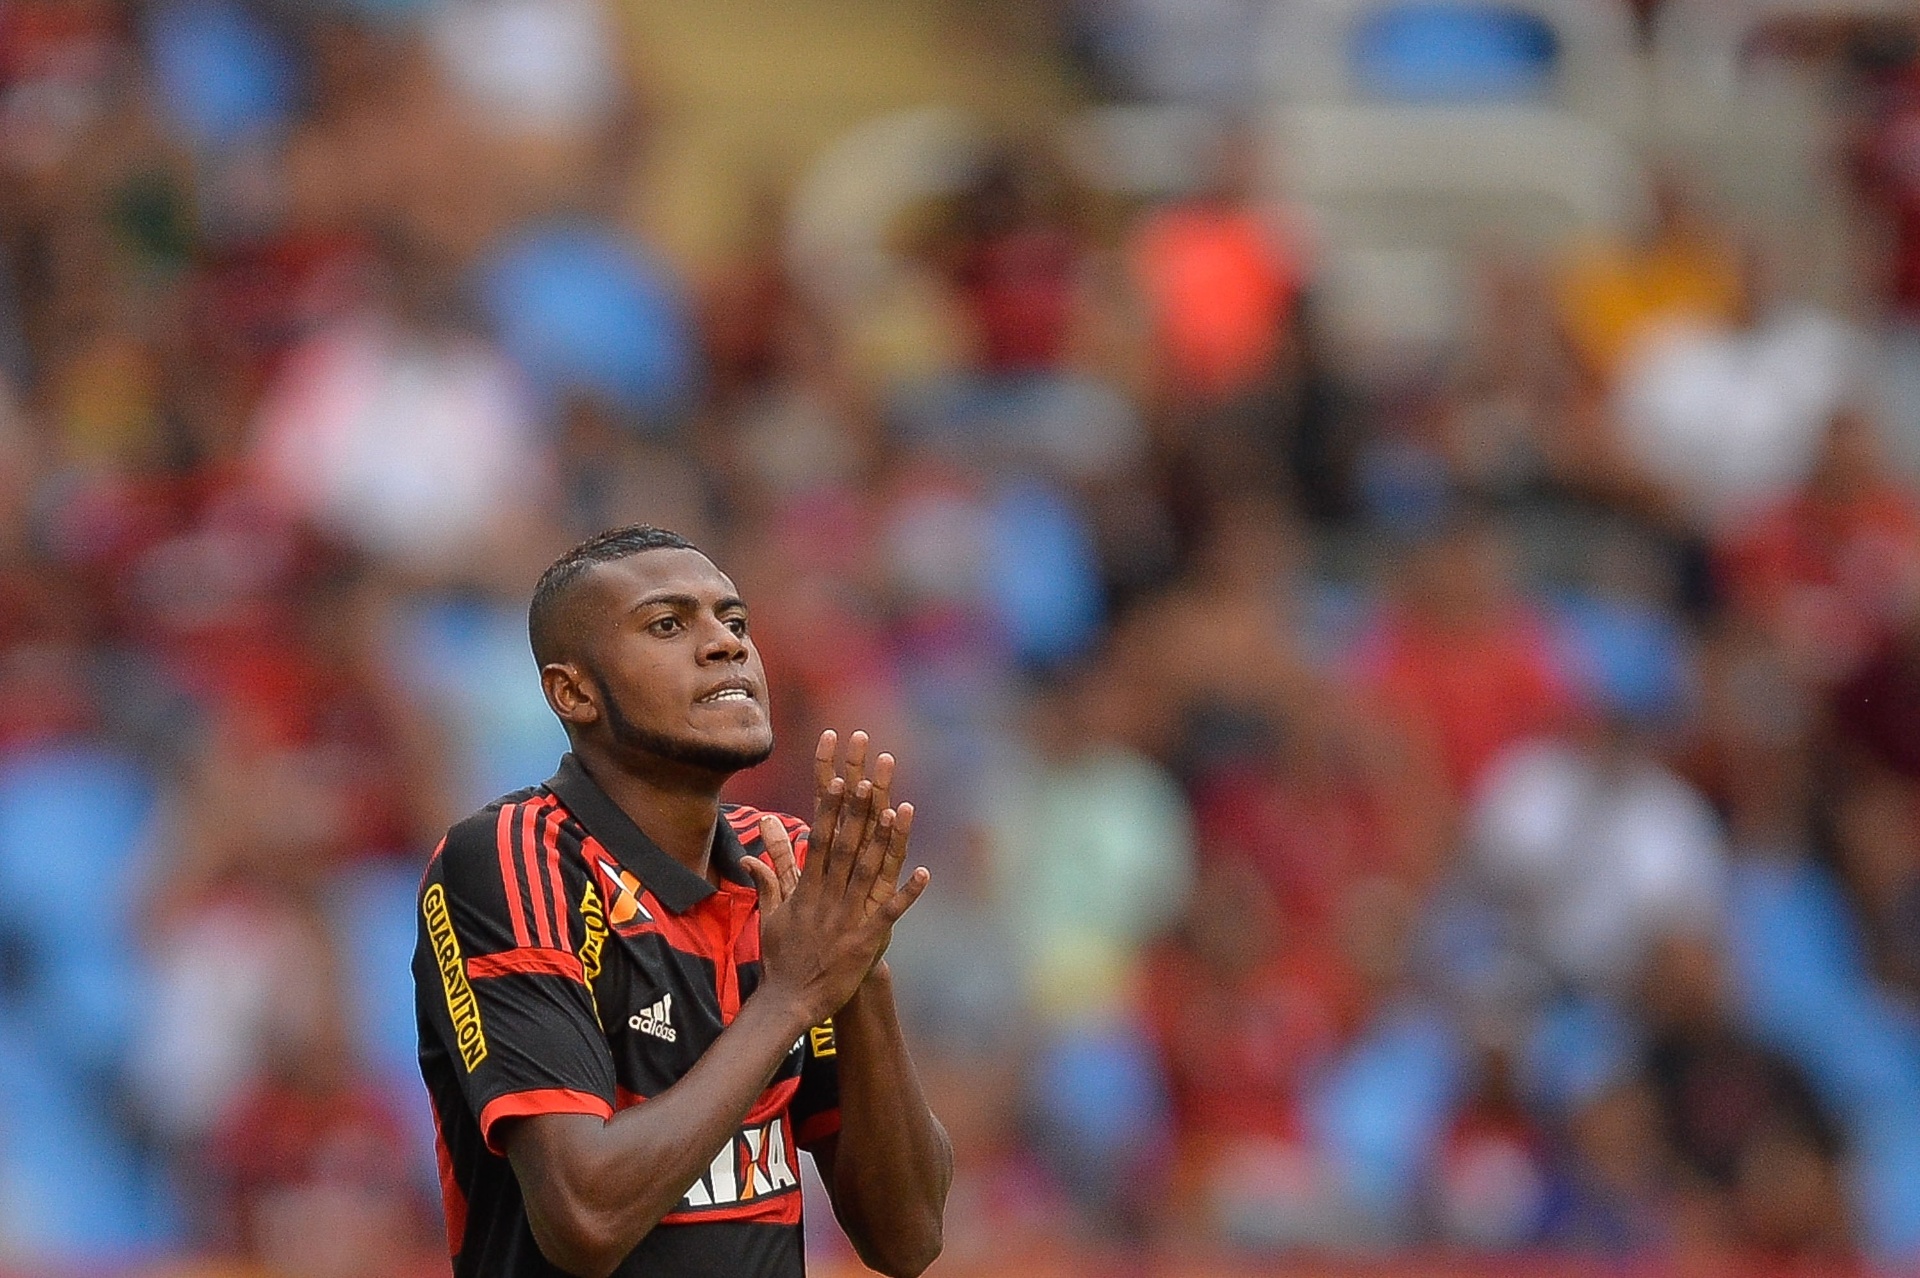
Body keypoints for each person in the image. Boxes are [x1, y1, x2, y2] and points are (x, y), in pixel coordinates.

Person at [412, 524, 952, 1278]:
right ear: (575, 692)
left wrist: (858, 972)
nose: (725, 644)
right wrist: (792, 995)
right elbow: (584, 1218)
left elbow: (907, 1238)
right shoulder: (514, 858)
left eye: (734, 622)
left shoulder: (782, 867)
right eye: (669, 624)